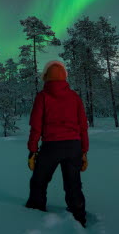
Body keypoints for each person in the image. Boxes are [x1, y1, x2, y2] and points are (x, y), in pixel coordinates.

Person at [25, 60, 88, 227]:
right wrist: (84, 151)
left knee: (39, 181)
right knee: (73, 183)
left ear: (45, 77)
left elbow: (36, 126)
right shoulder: (74, 97)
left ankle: (35, 212)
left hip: (51, 146)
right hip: (74, 146)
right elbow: (83, 126)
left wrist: (32, 150)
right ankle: (79, 216)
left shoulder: (42, 97)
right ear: (65, 77)